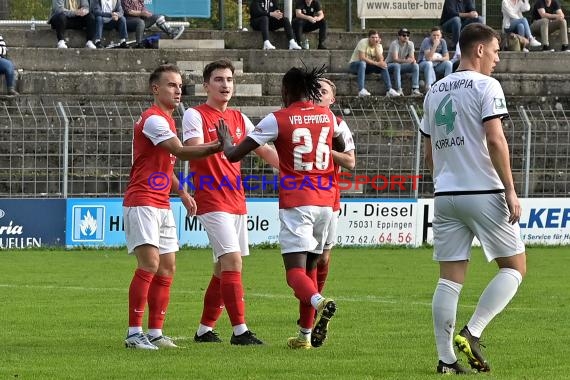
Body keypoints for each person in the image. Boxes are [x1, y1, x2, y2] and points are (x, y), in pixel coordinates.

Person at [420, 23, 526, 374]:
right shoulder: (486, 85)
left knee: (449, 278)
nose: (497, 58)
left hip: (446, 194)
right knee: (514, 268)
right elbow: (495, 140)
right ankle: (473, 332)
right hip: (483, 190)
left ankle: (445, 359)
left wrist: (443, 181)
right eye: (495, 50)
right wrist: (510, 189)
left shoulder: (435, 90)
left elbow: (430, 151)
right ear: (479, 50)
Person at [217, 65, 341, 350]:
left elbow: (234, 153)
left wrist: (225, 140)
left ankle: (321, 301)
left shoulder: (278, 119)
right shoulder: (327, 115)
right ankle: (304, 337)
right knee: (310, 272)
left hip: (298, 204)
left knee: (294, 274)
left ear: (285, 91)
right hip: (326, 204)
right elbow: (342, 146)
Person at [123, 64, 223, 350]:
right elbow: (179, 151)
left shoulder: (166, 121)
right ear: (156, 89)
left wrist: (182, 192)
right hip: (142, 200)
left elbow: (165, 166)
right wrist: (217, 146)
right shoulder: (154, 120)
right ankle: (133, 333)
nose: (178, 90)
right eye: (171, 85)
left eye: (180, 85)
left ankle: (155, 332)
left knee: (167, 268)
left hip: (161, 202)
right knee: (150, 264)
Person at [181, 59, 279, 345]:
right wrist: (221, 144)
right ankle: (240, 331)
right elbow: (191, 150)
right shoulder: (194, 115)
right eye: (219, 80)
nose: (225, 85)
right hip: (211, 198)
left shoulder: (239, 118)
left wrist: (293, 169)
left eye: (229, 80)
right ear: (206, 86)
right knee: (232, 262)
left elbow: (265, 150)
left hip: (236, 199)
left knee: (221, 269)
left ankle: (204, 330)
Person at [315, 78, 355, 295]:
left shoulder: (338, 125)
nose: (318, 94)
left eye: (323, 91)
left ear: (332, 98)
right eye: (315, 90)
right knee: (302, 255)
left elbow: (350, 162)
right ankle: (309, 302)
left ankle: (315, 300)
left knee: (323, 256)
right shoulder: (297, 121)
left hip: (329, 198)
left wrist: (326, 150)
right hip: (300, 196)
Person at [348, 30, 401, 97]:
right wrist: (377, 64)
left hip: (368, 67)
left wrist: (376, 46)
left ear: (378, 38)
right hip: (355, 66)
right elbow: (362, 58)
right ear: (369, 38)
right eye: (372, 37)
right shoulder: (363, 42)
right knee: (362, 63)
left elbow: (381, 60)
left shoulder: (379, 46)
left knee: (383, 65)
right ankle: (361, 90)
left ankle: (389, 89)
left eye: (376, 37)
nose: (374, 39)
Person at [386, 28, 422, 96]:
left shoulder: (410, 44)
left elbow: (412, 58)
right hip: (389, 65)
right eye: (404, 35)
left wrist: (412, 61)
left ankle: (415, 89)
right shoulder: (394, 44)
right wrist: (407, 60)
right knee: (397, 65)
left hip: (401, 65)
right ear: (399, 36)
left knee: (415, 65)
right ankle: (398, 89)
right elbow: (395, 59)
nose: (406, 37)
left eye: (408, 35)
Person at [418, 27, 454, 92]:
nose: (436, 37)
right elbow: (428, 58)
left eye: (438, 35)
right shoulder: (426, 41)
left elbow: (447, 58)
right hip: (423, 64)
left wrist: (437, 59)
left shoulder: (443, 41)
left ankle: (447, 86)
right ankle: (428, 87)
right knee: (429, 63)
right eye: (434, 35)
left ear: (441, 35)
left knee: (449, 63)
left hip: (437, 65)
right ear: (430, 35)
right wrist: (435, 45)